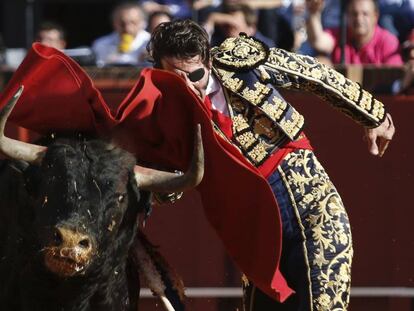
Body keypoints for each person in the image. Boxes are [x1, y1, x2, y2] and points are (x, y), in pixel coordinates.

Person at [147, 19, 395, 310]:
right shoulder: (168, 120)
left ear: (208, 62)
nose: (190, 88)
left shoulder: (239, 62)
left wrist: (370, 113)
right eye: (177, 79)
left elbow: (310, 73)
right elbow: (169, 191)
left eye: (196, 76)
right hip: (260, 243)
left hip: (313, 213)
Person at [306, 0, 403, 65]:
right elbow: (318, 42)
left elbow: (394, 77)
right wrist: (313, 13)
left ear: (375, 16)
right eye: (354, 14)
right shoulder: (341, 34)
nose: (359, 19)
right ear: (347, 15)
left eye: (365, 14)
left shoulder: (388, 41)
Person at [91, 2, 149, 66]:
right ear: (114, 23)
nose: (127, 28)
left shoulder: (152, 43)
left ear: (143, 23)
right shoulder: (101, 44)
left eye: (133, 22)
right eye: (122, 23)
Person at [203, 3, 275, 47]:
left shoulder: (265, 46)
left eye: (233, 24)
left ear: (251, 27)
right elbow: (203, 49)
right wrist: (210, 21)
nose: (229, 28)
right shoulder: (219, 44)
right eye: (226, 24)